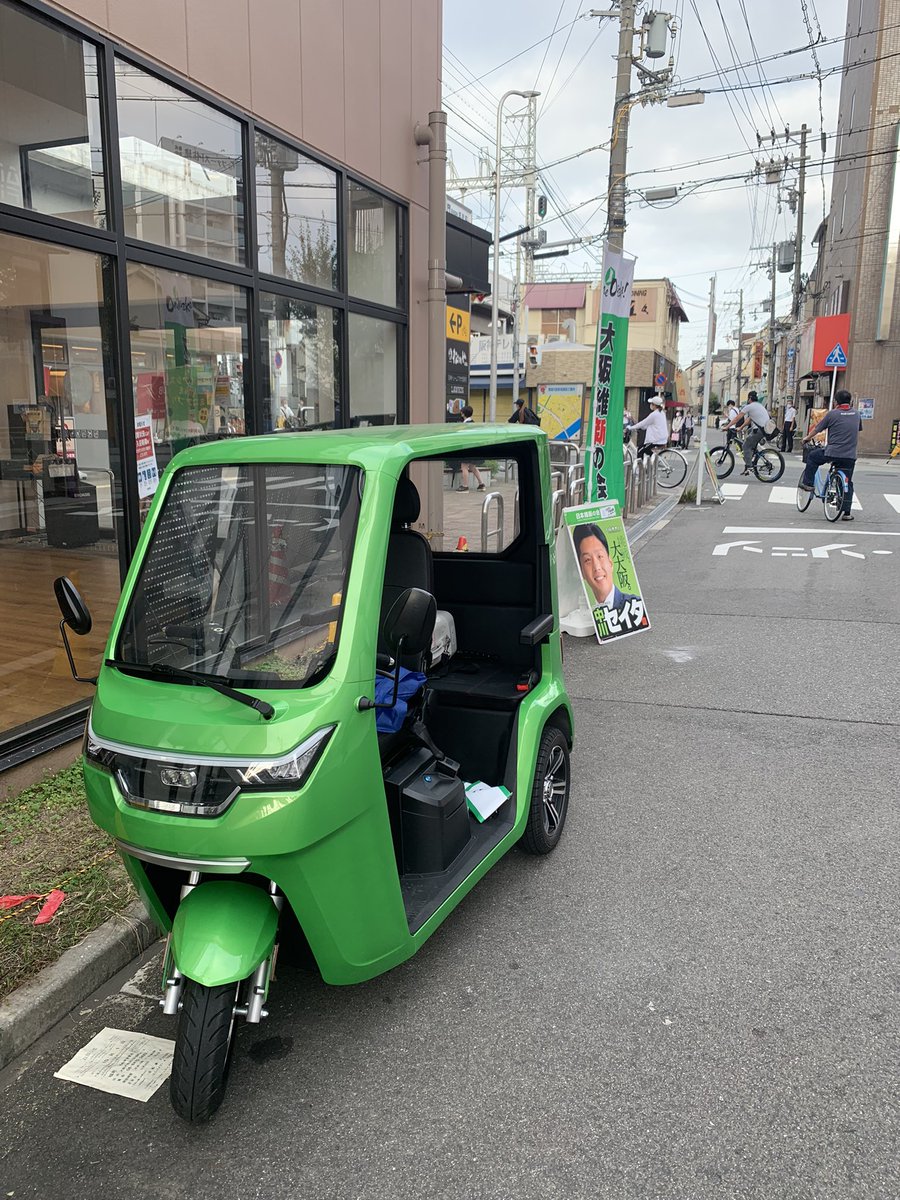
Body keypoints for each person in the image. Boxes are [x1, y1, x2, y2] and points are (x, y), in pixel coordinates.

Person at [798, 388, 862, 520]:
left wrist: (806, 438)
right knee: (848, 481)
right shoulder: (856, 414)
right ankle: (847, 513)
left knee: (813, 457)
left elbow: (817, 429)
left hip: (832, 452)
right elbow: (858, 429)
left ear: (836, 402)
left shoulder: (832, 414)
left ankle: (808, 484)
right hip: (850, 455)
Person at [573, 522, 640, 615]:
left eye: (600, 556)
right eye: (587, 560)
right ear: (581, 571)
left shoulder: (635, 605)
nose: (597, 567)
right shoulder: (586, 614)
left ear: (610, 563)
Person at [720, 391, 771, 476]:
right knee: (749, 443)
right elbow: (749, 419)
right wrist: (741, 427)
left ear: (750, 398)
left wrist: (727, 427)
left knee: (745, 446)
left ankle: (749, 466)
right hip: (763, 430)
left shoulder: (749, 407)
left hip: (759, 430)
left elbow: (737, 418)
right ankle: (751, 460)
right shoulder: (759, 405)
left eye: (748, 398)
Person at [629, 397, 669, 462]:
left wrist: (630, 427)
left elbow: (643, 423)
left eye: (651, 404)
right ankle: (655, 461)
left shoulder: (654, 414)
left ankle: (639, 469)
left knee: (640, 450)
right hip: (662, 438)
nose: (650, 405)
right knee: (647, 450)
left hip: (656, 440)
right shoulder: (661, 413)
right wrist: (641, 427)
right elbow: (648, 424)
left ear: (654, 405)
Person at [456, 405, 485, 492]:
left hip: (467, 448)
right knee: (472, 467)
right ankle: (481, 484)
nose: (460, 413)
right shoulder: (473, 423)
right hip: (473, 448)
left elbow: (463, 437)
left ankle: (465, 486)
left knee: (464, 467)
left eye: (461, 412)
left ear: (463, 413)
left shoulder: (466, 425)